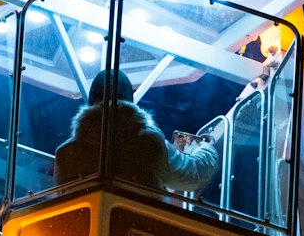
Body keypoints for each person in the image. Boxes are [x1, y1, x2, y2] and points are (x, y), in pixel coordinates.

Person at [54, 70, 218, 195]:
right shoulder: (150, 143)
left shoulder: (65, 153)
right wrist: (206, 147)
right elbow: (192, 175)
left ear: (90, 103)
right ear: (130, 101)